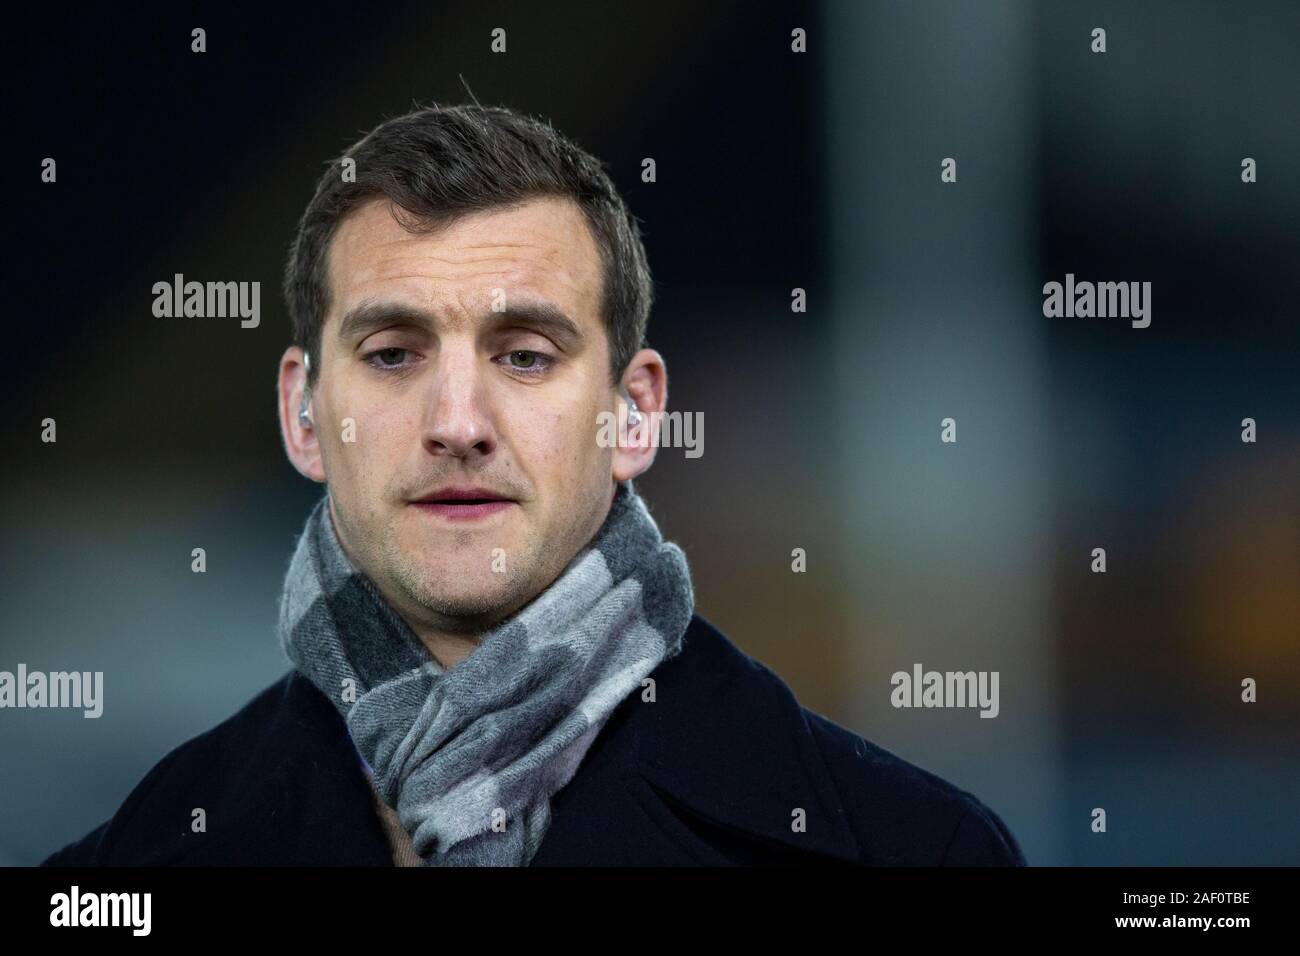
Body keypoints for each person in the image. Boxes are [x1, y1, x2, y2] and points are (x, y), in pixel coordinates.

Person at [43, 104, 1025, 866]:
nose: (459, 423)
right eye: (391, 354)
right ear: (304, 415)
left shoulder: (909, 848)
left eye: (524, 355)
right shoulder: (135, 865)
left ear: (633, 413)